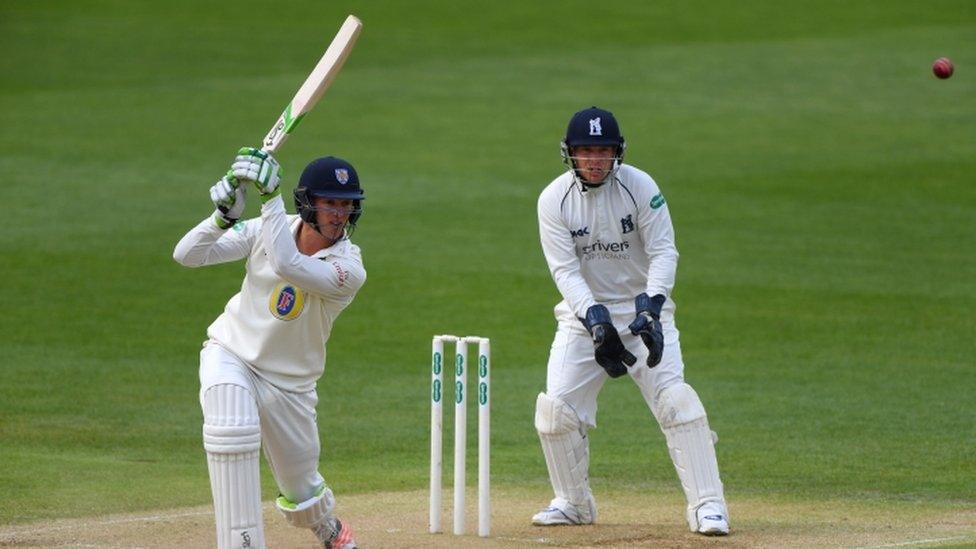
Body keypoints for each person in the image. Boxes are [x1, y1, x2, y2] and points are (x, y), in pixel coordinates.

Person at [532, 107, 730, 536]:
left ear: (617, 152)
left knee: (676, 401)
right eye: (586, 152)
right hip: (582, 318)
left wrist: (652, 307)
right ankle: (573, 502)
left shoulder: (641, 187)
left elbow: (664, 252)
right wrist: (594, 318)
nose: (595, 161)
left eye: (603, 151)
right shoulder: (553, 199)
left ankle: (709, 505)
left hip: (645, 315)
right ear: (571, 155)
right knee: (555, 411)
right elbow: (564, 270)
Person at [173, 147, 366, 549]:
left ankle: (326, 527)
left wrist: (269, 196)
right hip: (233, 353)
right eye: (330, 203)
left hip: (290, 385)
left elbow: (287, 265)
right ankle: (240, 542)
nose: (339, 214)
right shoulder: (268, 227)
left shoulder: (349, 268)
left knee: (301, 488)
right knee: (231, 427)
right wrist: (221, 217)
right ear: (308, 203)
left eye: (347, 205)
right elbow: (188, 255)